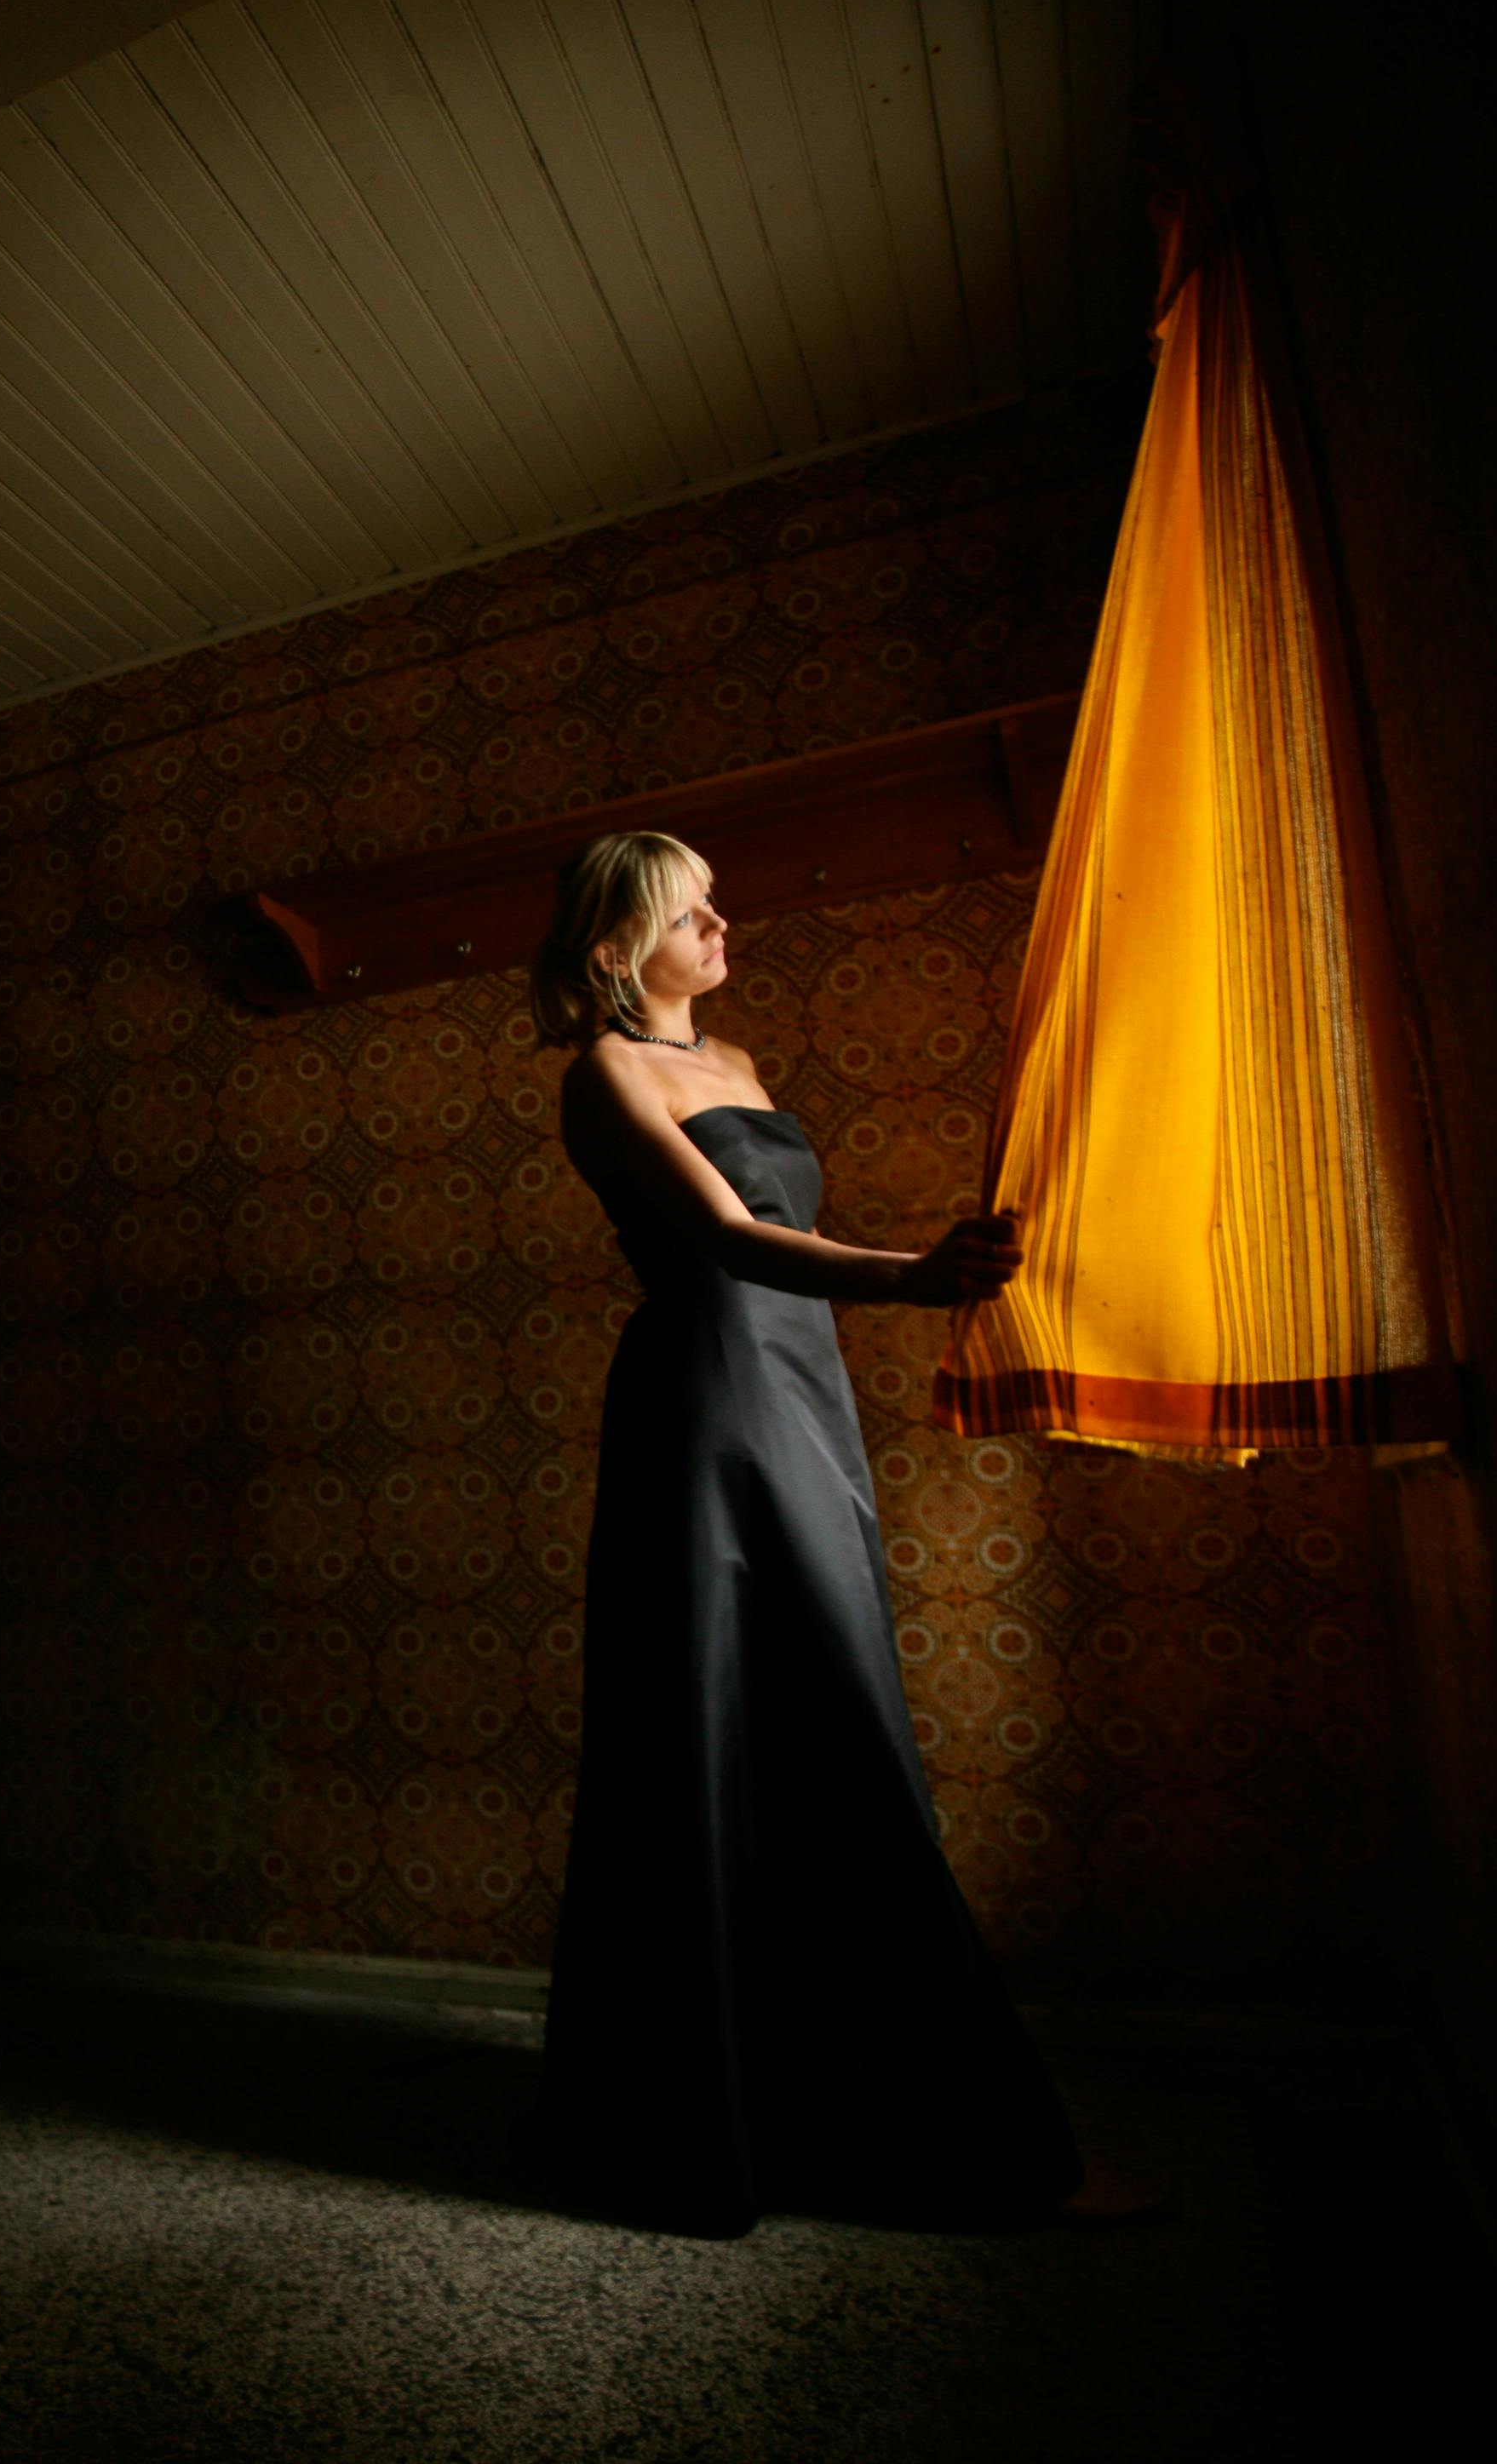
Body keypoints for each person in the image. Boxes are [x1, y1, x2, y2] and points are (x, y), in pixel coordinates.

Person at [529, 828, 1094, 2236]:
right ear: (615, 951)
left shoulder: (741, 1069)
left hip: (801, 1394)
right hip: (710, 1405)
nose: (723, 922)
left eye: (720, 897)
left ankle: (838, 2105)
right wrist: (915, 1278)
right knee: (750, 1717)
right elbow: (723, 1238)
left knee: (828, 1716)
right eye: (687, 910)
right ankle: (928, 2139)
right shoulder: (605, 1074)